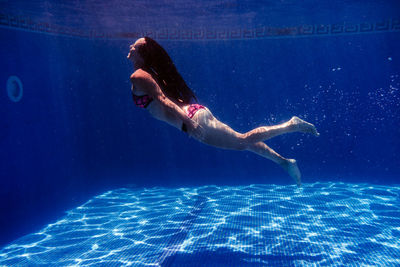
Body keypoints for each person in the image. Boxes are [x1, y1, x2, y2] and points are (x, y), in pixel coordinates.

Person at [127, 37, 319, 186]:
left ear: (142, 54)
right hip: (195, 113)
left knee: (242, 141)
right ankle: (284, 162)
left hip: (191, 120)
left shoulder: (138, 76)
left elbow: (162, 100)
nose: (131, 47)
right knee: (241, 140)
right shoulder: (151, 73)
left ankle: (291, 125)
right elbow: (164, 99)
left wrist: (189, 123)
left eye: (135, 46)